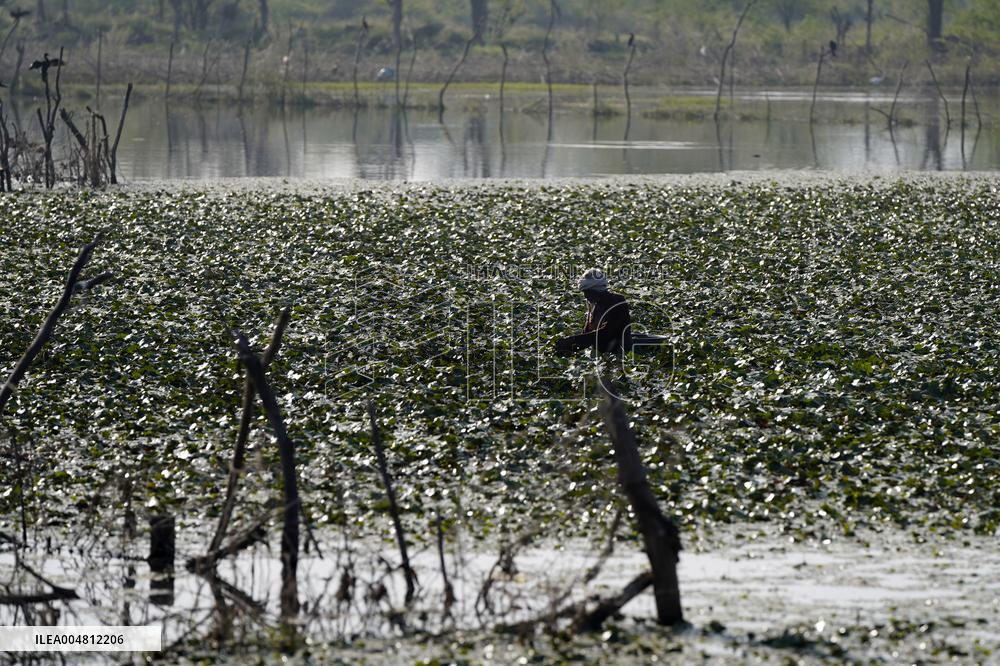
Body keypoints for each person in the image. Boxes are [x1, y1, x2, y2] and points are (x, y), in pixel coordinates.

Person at [555, 268, 632, 356]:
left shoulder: (617, 302)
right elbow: (587, 332)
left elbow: (606, 333)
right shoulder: (593, 303)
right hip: (596, 348)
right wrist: (571, 345)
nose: (585, 296)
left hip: (617, 348)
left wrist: (573, 340)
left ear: (598, 290)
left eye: (588, 292)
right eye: (584, 292)